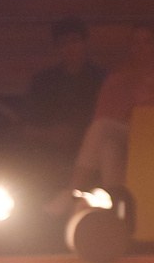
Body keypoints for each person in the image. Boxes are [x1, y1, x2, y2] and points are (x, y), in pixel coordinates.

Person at [73, 23, 154, 193]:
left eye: (147, 42)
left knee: (104, 134)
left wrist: (145, 100)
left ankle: (74, 188)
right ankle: (117, 199)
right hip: (122, 134)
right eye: (136, 43)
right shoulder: (115, 81)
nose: (141, 47)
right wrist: (130, 105)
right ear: (130, 47)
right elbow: (101, 117)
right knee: (107, 144)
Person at [18, 18, 106, 165]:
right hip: (48, 155)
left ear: (85, 43)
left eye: (74, 41)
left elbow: (106, 123)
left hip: (91, 153)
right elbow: (26, 127)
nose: (70, 48)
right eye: (63, 43)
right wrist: (51, 135)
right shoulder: (42, 81)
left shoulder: (102, 79)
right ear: (57, 48)